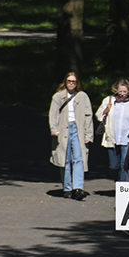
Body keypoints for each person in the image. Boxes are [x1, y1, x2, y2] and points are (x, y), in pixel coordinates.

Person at [48, 72, 94, 200]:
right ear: (65, 82)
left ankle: (78, 188)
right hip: (64, 129)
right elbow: (53, 114)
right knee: (65, 159)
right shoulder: (58, 97)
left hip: (78, 130)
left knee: (79, 158)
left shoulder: (83, 96)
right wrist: (55, 129)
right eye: (69, 81)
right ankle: (67, 188)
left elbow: (88, 116)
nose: (71, 84)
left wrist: (88, 134)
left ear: (77, 83)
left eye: (74, 81)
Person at [95, 79, 129, 181]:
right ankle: (118, 182)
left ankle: (124, 188)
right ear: (116, 90)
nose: (122, 94)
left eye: (125, 91)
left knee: (126, 164)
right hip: (112, 138)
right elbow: (98, 115)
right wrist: (106, 110)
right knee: (114, 166)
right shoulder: (109, 100)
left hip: (128, 139)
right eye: (120, 91)